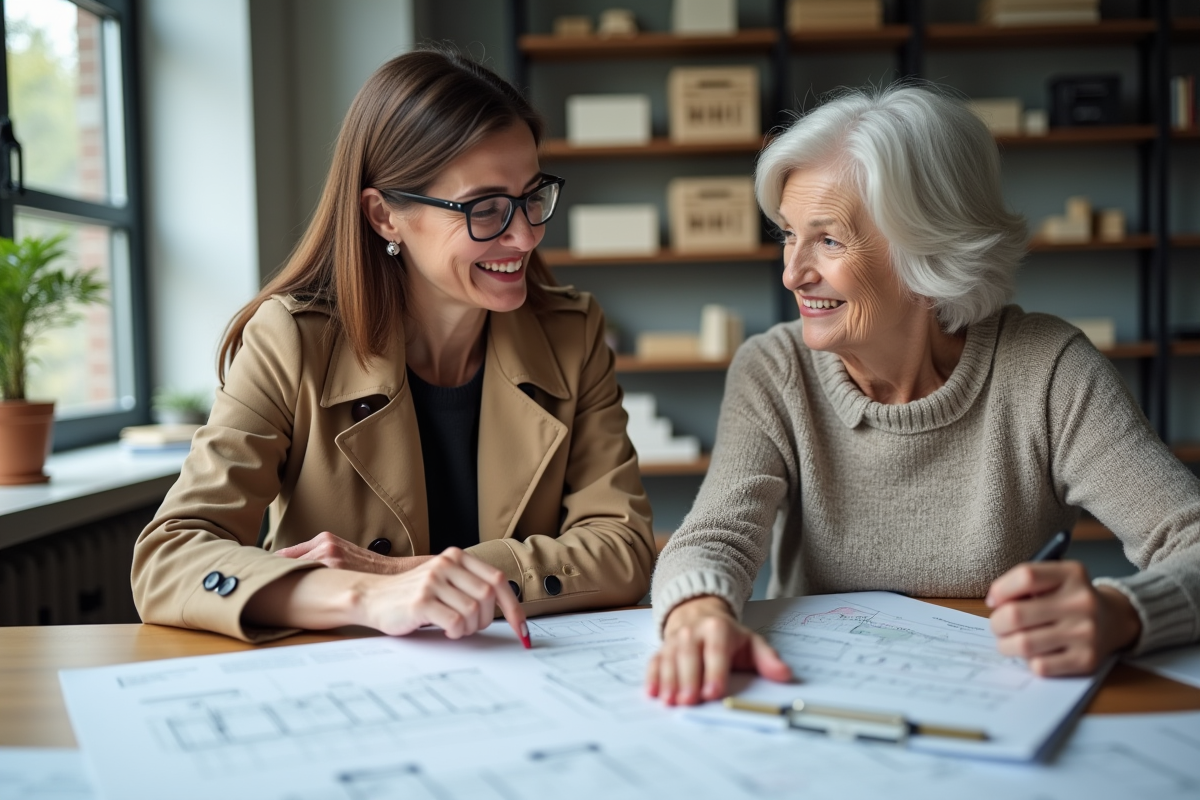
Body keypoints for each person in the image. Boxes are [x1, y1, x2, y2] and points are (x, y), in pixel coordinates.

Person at [646, 84, 1200, 705]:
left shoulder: (1048, 370)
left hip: (999, 699)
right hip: (819, 696)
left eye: (828, 240)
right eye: (787, 235)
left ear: (927, 250)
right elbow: (714, 535)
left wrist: (1121, 610)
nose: (792, 272)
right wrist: (698, 612)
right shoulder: (774, 369)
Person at [132, 48, 655, 644]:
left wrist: (421, 576)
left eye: (533, 196)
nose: (525, 233)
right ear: (384, 216)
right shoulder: (290, 342)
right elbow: (168, 559)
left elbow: (622, 545)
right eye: (484, 208)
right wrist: (369, 594)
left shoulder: (571, 333)